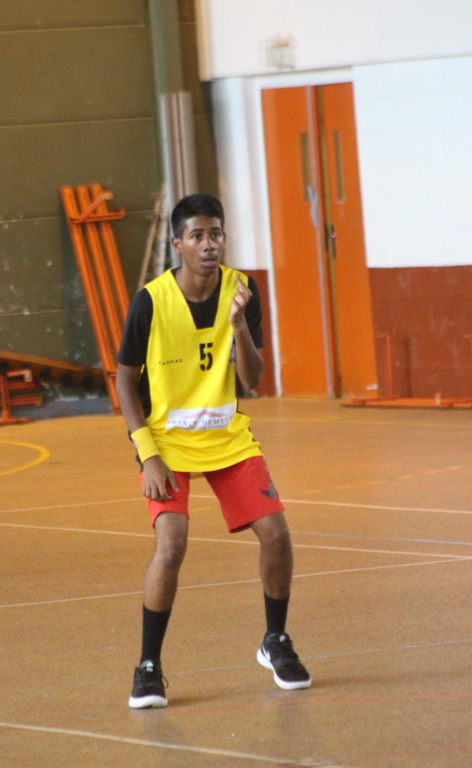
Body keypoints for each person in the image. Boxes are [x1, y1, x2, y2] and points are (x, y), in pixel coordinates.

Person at [116, 193, 311, 709]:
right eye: (198, 236)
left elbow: (252, 379)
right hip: (167, 443)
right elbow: (123, 380)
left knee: (277, 535)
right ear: (177, 244)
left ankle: (275, 641)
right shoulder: (151, 301)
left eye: (216, 234)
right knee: (172, 544)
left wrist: (239, 325)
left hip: (227, 436)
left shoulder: (242, 290)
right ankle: (149, 667)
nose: (209, 244)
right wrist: (147, 454)